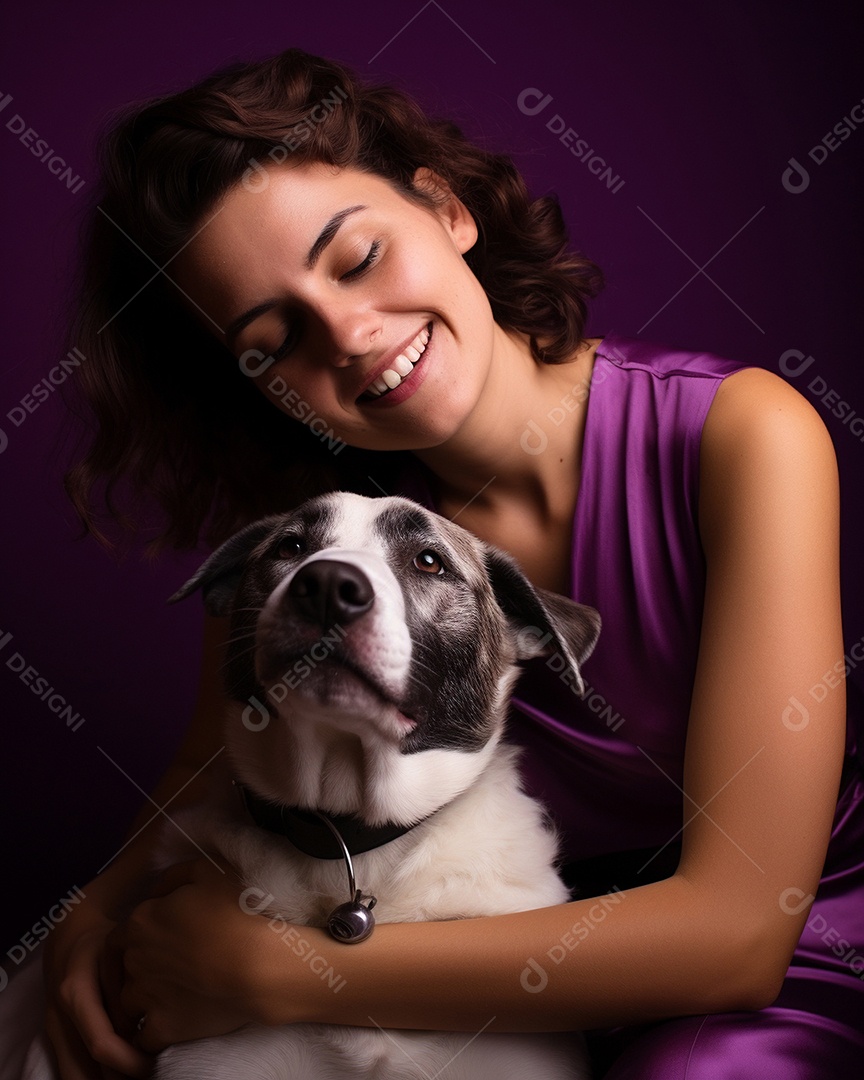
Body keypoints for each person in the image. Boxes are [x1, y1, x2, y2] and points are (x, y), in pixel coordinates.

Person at [26, 47, 864, 1078]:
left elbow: (739, 933)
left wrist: (281, 973)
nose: (348, 334)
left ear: (448, 207)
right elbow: (210, 768)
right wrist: (88, 924)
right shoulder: (320, 549)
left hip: (759, 960)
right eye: (274, 337)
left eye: (358, 257)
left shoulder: (741, 434)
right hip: (472, 951)